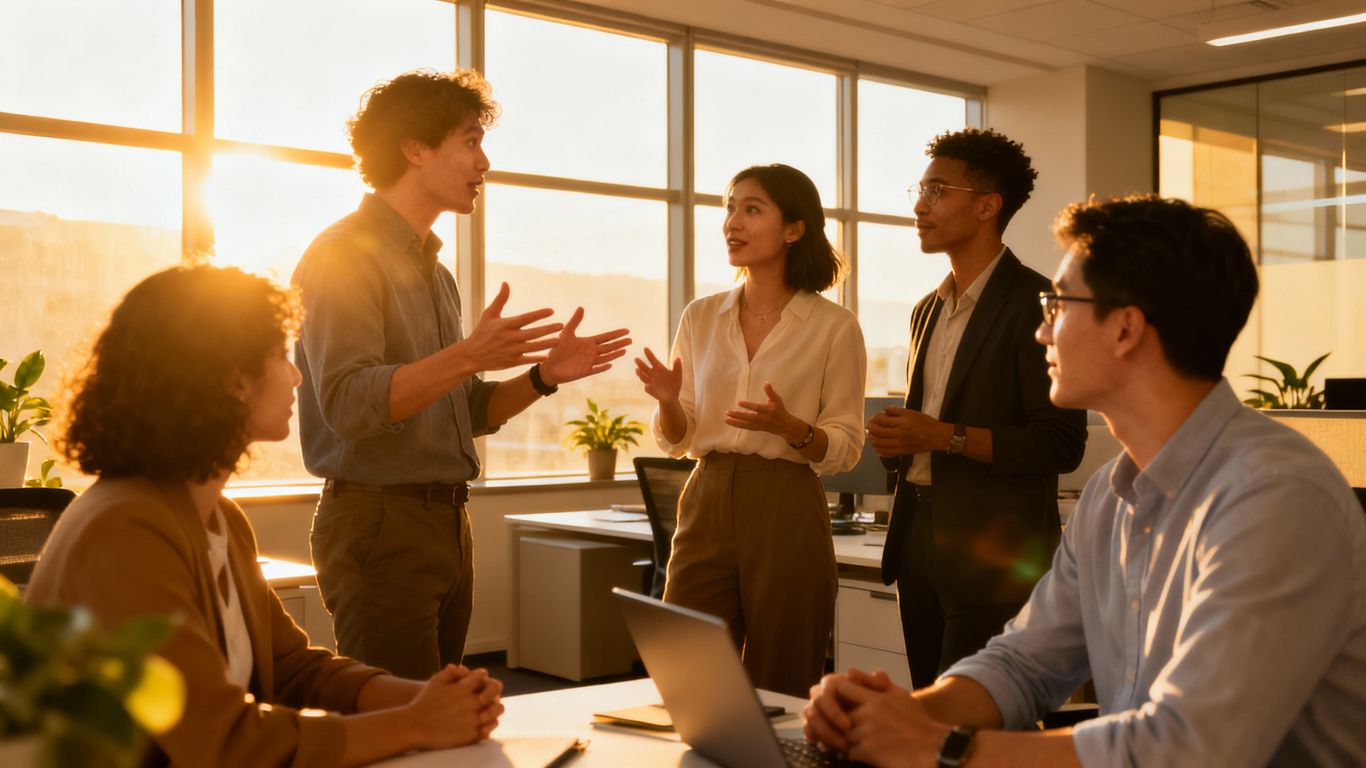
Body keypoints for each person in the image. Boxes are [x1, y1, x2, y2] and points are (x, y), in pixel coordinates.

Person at [804, 196, 1366, 767]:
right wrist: (894, 716)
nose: (1042, 333)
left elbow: (1189, 748)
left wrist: (938, 746)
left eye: (1056, 306)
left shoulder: (1273, 498)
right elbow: (1024, 664)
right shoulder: (1109, 496)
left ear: (1125, 329)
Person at [26, 265, 505, 767]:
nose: (297, 374)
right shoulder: (125, 529)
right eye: (281, 355)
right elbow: (224, 742)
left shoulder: (218, 517)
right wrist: (415, 723)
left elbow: (293, 669)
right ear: (234, 379)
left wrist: (424, 698)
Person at [293, 69, 630, 678]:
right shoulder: (343, 254)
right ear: (415, 149)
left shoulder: (434, 272)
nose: (485, 161)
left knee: (441, 720)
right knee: (404, 729)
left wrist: (541, 378)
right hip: (379, 521)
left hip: (445, 521)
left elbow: (465, 410)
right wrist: (468, 354)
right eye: (471, 141)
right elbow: (347, 403)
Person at [634, 163, 866, 697]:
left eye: (751, 209)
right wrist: (669, 402)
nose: (732, 223)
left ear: (794, 229)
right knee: (686, 664)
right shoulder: (701, 316)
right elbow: (679, 436)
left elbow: (847, 447)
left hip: (786, 501)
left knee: (782, 672)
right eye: (730, 208)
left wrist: (794, 429)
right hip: (707, 494)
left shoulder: (835, 327)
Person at [872, 128, 1086, 687]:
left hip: (993, 554)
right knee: (929, 708)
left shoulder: (1038, 304)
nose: (920, 205)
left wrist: (942, 436)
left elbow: (1061, 442)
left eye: (938, 190)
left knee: (974, 724)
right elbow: (927, 430)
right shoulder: (927, 309)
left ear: (988, 205)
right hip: (918, 535)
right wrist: (898, 440)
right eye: (919, 189)